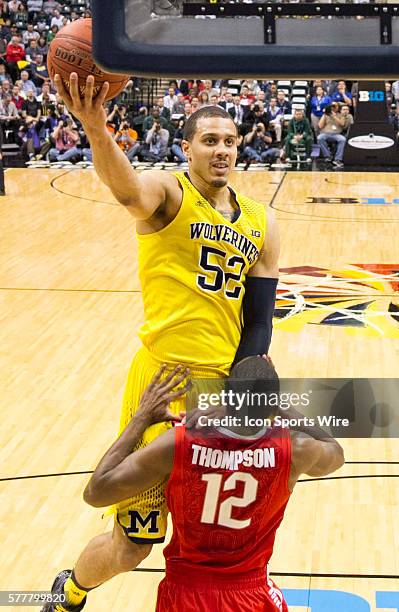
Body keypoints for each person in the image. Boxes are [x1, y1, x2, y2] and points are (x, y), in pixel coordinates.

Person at [42, 72, 279, 612]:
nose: (221, 150)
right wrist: (97, 130)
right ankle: (70, 591)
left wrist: (245, 398)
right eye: (209, 140)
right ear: (187, 147)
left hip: (218, 392)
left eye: (229, 141)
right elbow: (125, 189)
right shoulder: (170, 194)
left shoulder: (262, 222)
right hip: (160, 381)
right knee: (137, 541)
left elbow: (259, 322)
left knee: (219, 535)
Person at [80, 356, 344, 611]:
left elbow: (96, 492)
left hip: (184, 594)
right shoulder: (294, 451)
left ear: (225, 398)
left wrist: (141, 418)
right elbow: (335, 452)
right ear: (271, 405)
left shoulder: (179, 442)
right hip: (249, 595)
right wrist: (281, 406)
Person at [317, 102, 347, 169]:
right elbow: (320, 126)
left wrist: (334, 116)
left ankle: (338, 159)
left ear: (337, 107)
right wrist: (325, 114)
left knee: (343, 139)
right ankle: (328, 155)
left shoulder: (341, 115)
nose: (333, 107)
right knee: (319, 138)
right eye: (332, 106)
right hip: (326, 133)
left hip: (337, 134)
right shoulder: (326, 115)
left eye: (335, 106)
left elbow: (342, 124)